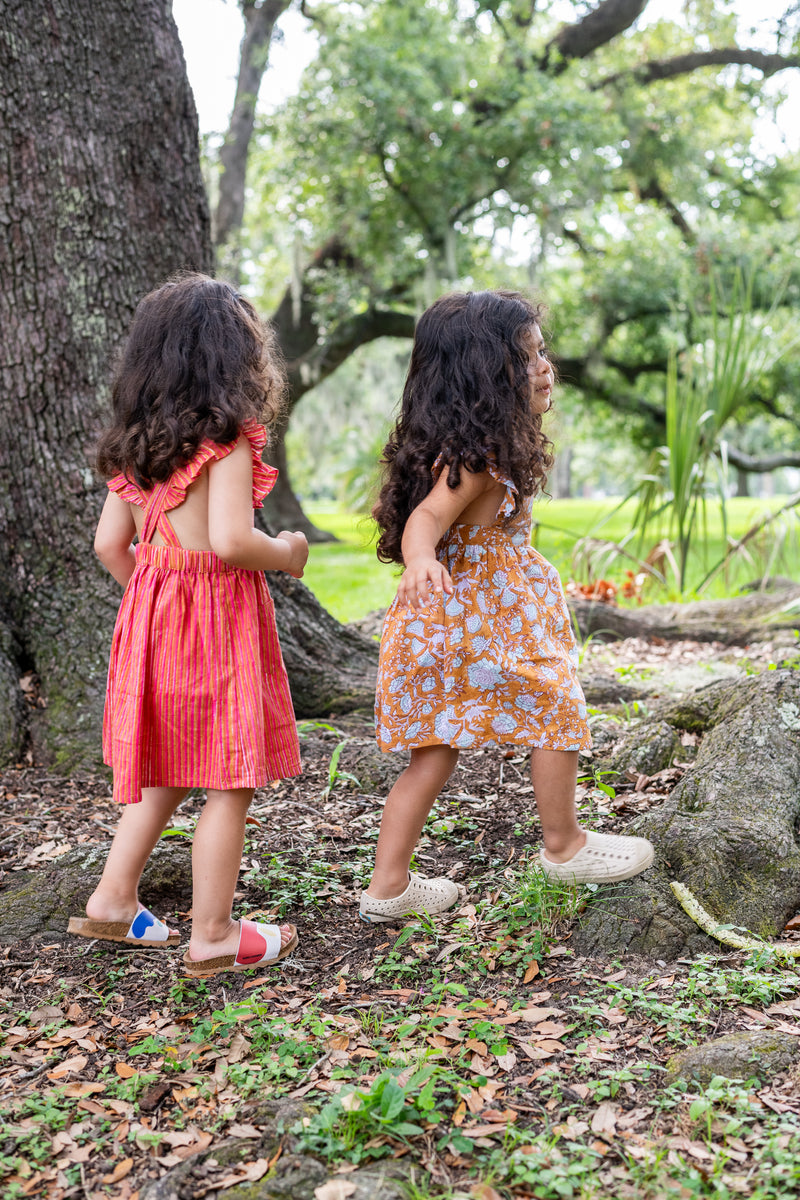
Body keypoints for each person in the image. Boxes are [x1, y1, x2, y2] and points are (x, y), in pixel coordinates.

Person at [360, 289, 654, 923]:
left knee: (434, 753)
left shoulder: (476, 448)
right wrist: (421, 560)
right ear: (485, 376)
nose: (545, 368)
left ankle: (388, 887)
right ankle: (565, 844)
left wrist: (427, 566)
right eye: (526, 360)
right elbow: (426, 520)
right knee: (556, 704)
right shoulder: (478, 458)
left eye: (543, 353)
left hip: (461, 622)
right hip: (476, 621)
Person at [68, 273, 308, 976]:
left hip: (153, 621)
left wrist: (154, 595)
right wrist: (288, 554)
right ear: (235, 360)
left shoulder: (133, 449)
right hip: (217, 623)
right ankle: (215, 933)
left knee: (166, 770)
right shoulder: (227, 443)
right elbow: (233, 543)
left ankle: (113, 899)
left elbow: (110, 546)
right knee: (228, 778)